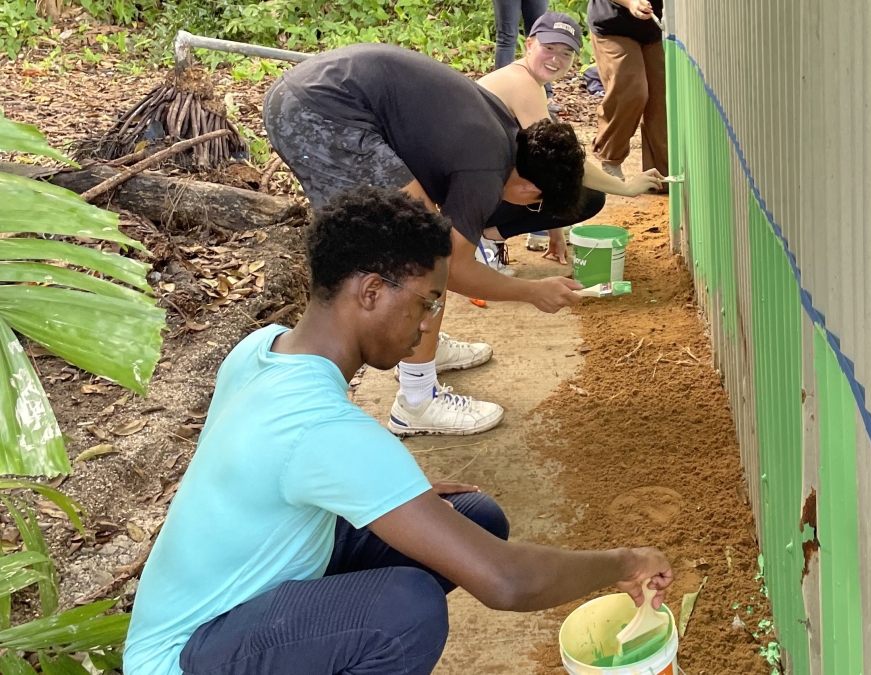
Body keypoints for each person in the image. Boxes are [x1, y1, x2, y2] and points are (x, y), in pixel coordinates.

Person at [122, 187, 674, 675]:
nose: (431, 322)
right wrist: (626, 562)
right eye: (427, 303)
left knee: (473, 517)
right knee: (402, 612)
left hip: (253, 591)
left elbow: (253, 470)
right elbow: (507, 583)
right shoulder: (322, 427)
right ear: (369, 293)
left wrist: (393, 495)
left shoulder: (262, 348)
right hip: (187, 653)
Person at [262, 43, 587, 437]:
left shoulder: (505, 128)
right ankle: (417, 400)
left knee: (421, 241)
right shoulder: (486, 169)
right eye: (536, 204)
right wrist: (532, 291)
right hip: (320, 111)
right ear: (532, 188)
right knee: (425, 256)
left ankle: (416, 340)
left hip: (316, 94)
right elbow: (452, 269)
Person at [477, 11, 664, 266]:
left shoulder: (528, 82)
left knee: (558, 180)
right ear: (530, 44)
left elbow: (543, 160)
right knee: (587, 195)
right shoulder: (522, 85)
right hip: (465, 195)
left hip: (471, 186)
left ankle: (493, 233)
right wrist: (626, 188)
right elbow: (561, 163)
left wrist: (555, 232)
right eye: (549, 47)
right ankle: (486, 237)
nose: (556, 58)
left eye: (566, 52)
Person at [587, 0, 667, 181]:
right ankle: (611, 156)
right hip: (614, 25)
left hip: (658, 28)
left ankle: (662, 174)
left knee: (661, 100)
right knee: (632, 91)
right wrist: (630, 2)